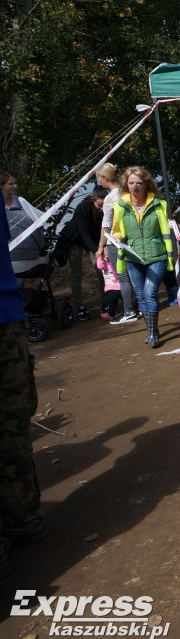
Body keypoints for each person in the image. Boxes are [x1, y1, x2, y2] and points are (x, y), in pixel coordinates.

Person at [0, 205, 46, 580]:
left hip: (6, 318)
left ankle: (22, 521)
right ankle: (22, 519)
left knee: (12, 422)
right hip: (7, 321)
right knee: (12, 424)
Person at [111, 167, 174, 348]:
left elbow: (166, 229)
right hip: (133, 257)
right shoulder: (119, 206)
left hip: (157, 255)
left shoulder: (159, 204)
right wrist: (116, 237)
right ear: (126, 185)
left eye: (139, 183)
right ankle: (151, 331)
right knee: (140, 295)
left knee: (149, 292)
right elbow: (116, 229)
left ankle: (154, 333)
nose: (135, 186)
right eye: (131, 183)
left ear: (146, 184)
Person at [95, 163, 138, 324]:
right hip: (132, 237)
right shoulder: (127, 192)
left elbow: (105, 226)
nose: (98, 181)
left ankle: (129, 310)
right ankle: (139, 306)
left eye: (99, 177)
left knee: (123, 277)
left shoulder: (110, 198)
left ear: (106, 178)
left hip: (116, 241)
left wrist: (101, 246)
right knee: (135, 274)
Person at [57, 186, 107, 320]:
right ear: (92, 200)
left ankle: (105, 302)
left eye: (104, 205)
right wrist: (96, 250)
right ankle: (80, 305)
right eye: (99, 205)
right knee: (77, 272)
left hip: (93, 240)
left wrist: (103, 246)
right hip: (75, 240)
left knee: (101, 269)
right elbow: (84, 232)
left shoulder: (107, 209)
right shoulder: (82, 208)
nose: (102, 208)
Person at [2, 170, 47, 283]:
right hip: (5, 251)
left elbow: (38, 219)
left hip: (23, 252)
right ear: (1, 185)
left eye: (15, 183)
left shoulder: (20, 201)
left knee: (19, 283)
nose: (15, 186)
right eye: (11, 184)